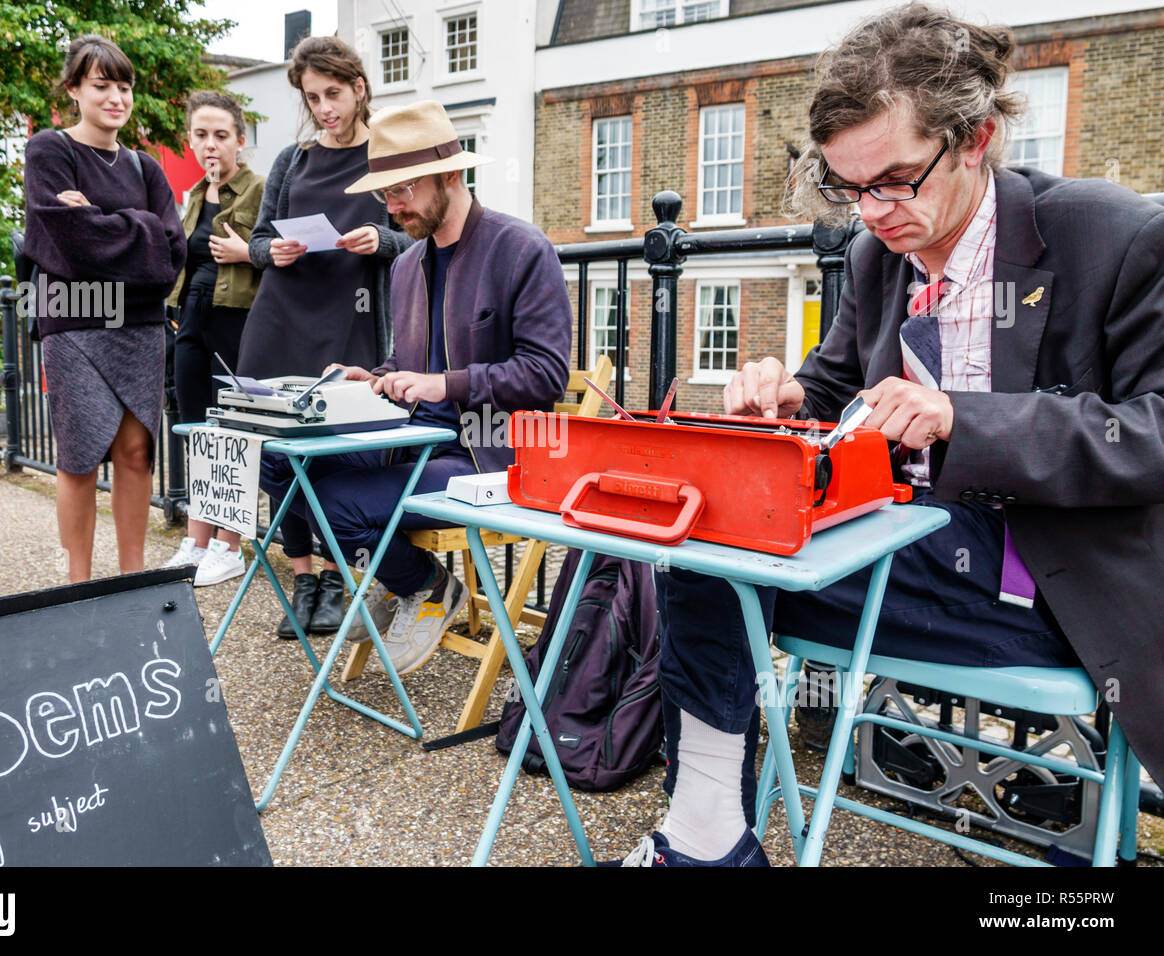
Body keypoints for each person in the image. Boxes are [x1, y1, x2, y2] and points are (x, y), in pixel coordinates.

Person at [616, 2, 1164, 866]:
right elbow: (836, 387)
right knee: (704, 549)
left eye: (898, 179)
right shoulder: (880, 256)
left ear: (977, 136)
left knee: (715, 561)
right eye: (847, 186)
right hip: (915, 548)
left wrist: (962, 419)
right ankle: (707, 838)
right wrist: (784, 392)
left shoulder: (1114, 233)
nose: (872, 211)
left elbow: (1154, 432)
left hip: (1062, 584)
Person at [258, 99, 573, 676]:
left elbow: (547, 373)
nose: (393, 205)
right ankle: (399, 578)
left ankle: (425, 586)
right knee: (277, 465)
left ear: (451, 174)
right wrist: (373, 378)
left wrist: (441, 383)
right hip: (413, 439)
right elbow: (406, 363)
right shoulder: (407, 265)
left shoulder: (521, 248)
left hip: (493, 454)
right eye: (385, 193)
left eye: (404, 188)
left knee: (333, 504)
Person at [238, 35, 413, 635]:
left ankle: (339, 580)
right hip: (281, 319)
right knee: (279, 456)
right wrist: (273, 251)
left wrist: (381, 240)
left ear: (359, 88)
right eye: (313, 98)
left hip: (352, 321)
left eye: (332, 94)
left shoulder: (388, 155)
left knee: (339, 452)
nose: (323, 109)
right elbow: (257, 242)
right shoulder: (291, 160)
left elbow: (420, 235)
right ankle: (304, 580)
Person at [23, 35, 187, 582]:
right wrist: (137, 230)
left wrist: (100, 217)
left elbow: (174, 251)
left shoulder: (145, 167)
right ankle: (78, 585)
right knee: (79, 455)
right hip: (72, 320)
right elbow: (68, 244)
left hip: (139, 325)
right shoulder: (51, 150)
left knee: (137, 452)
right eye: (101, 85)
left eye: (124, 86)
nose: (116, 97)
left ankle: (131, 581)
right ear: (74, 89)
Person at [161, 90, 265, 587]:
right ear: (190, 141)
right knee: (197, 428)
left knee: (234, 433)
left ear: (239, 141)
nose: (211, 146)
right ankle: (197, 541)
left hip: (235, 318)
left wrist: (249, 252)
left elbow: (277, 254)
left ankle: (230, 544)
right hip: (191, 319)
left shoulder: (259, 189)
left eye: (221, 136)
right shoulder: (194, 197)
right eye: (201, 136)